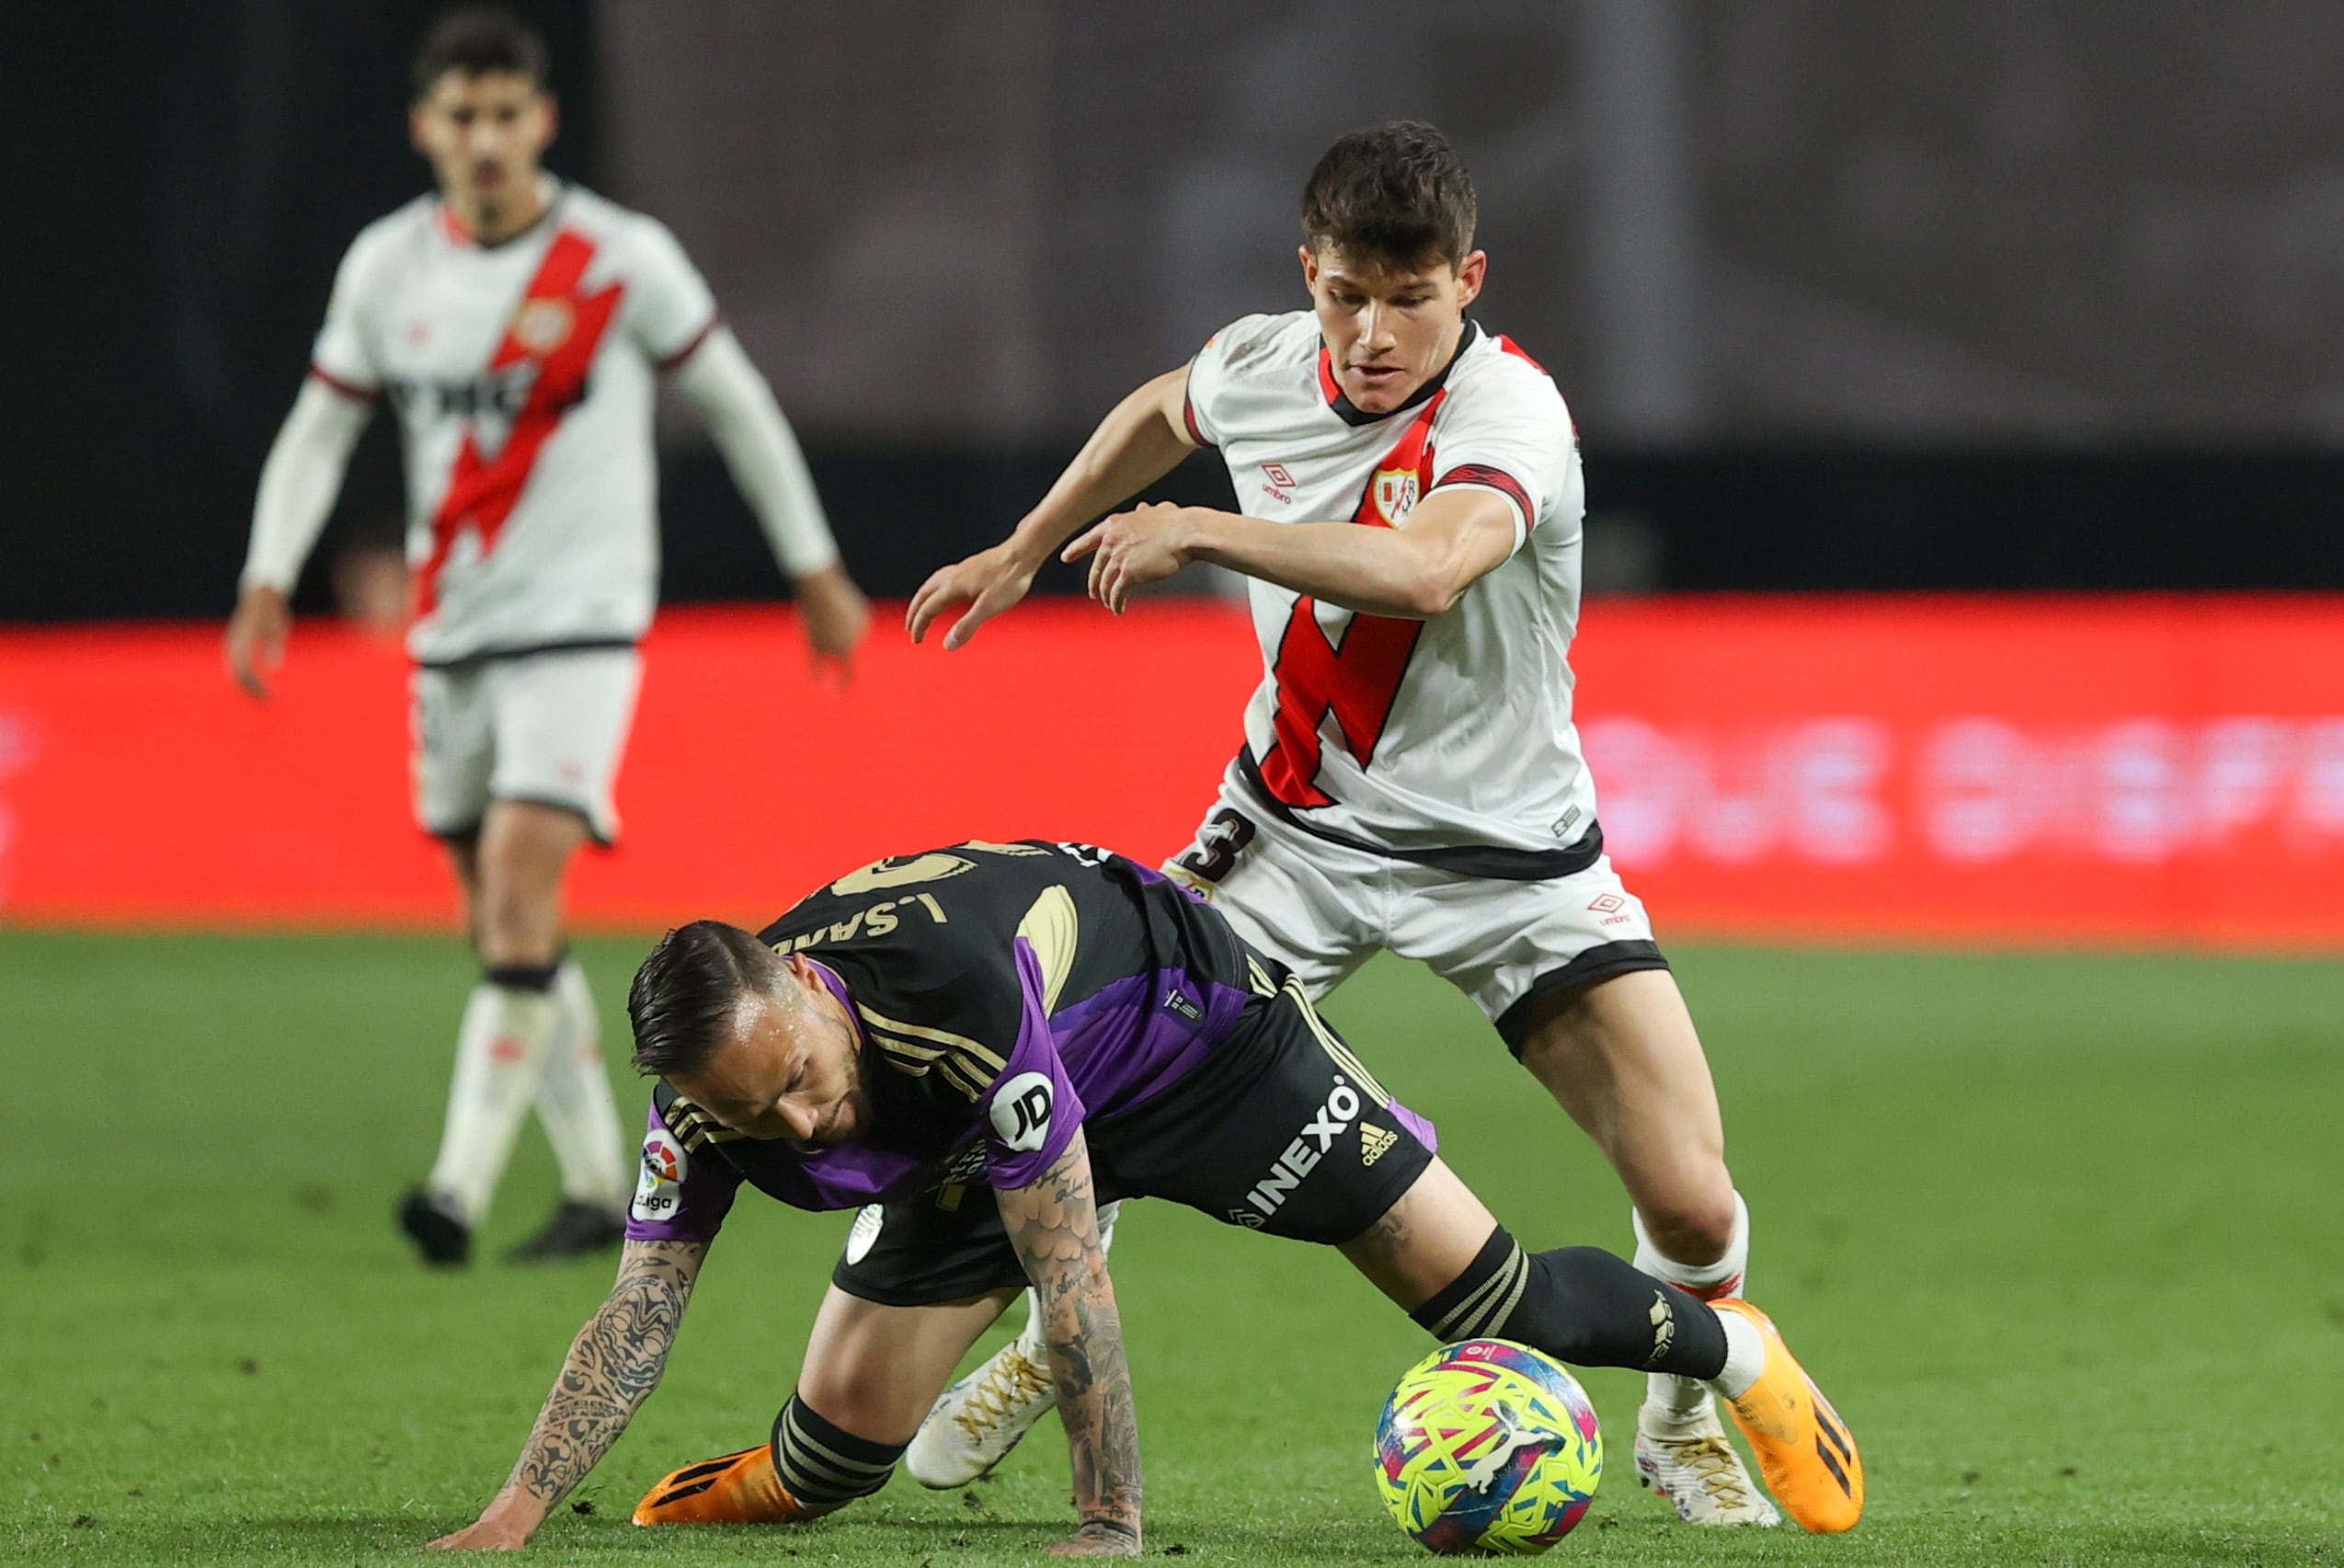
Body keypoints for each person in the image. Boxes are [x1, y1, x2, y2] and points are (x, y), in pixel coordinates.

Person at [906, 121, 1789, 1525]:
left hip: (1513, 866)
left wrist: (1203, 530)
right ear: (1306, 271)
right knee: (1077, 1081)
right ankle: (1049, 1341)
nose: (1374, 334)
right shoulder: (1263, 364)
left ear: (1467, 281)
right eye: (1345, 295)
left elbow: (1427, 568)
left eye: (1410, 298)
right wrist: (1025, 544)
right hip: (1290, 840)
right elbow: (1161, 409)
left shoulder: (1509, 414)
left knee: (1689, 1200)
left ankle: (1678, 1422)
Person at [422, 838, 1862, 1553]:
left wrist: (1107, 1521)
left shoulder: (945, 998)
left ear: (806, 983)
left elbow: (1071, 1273)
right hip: (973, 1133)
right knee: (833, 1465)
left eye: (796, 1078)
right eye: (755, 1114)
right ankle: (796, 1466)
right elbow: (640, 1305)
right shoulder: (708, 1099)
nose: (798, 1122)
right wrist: (515, 1509)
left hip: (1202, 1042)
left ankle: (1738, 1350)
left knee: (1497, 1301)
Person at [223, 7, 869, 1266]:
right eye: (461, 116)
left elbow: (735, 401)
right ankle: (590, 1182)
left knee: (518, 892)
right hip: (450, 633)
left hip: (581, 625)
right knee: (504, 927)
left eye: (505, 114)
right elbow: (320, 427)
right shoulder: (387, 267)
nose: (484, 139)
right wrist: (265, 575)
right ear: (425, 127)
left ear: (543, 121)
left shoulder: (617, 259)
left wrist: (812, 563)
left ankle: (454, 1190)